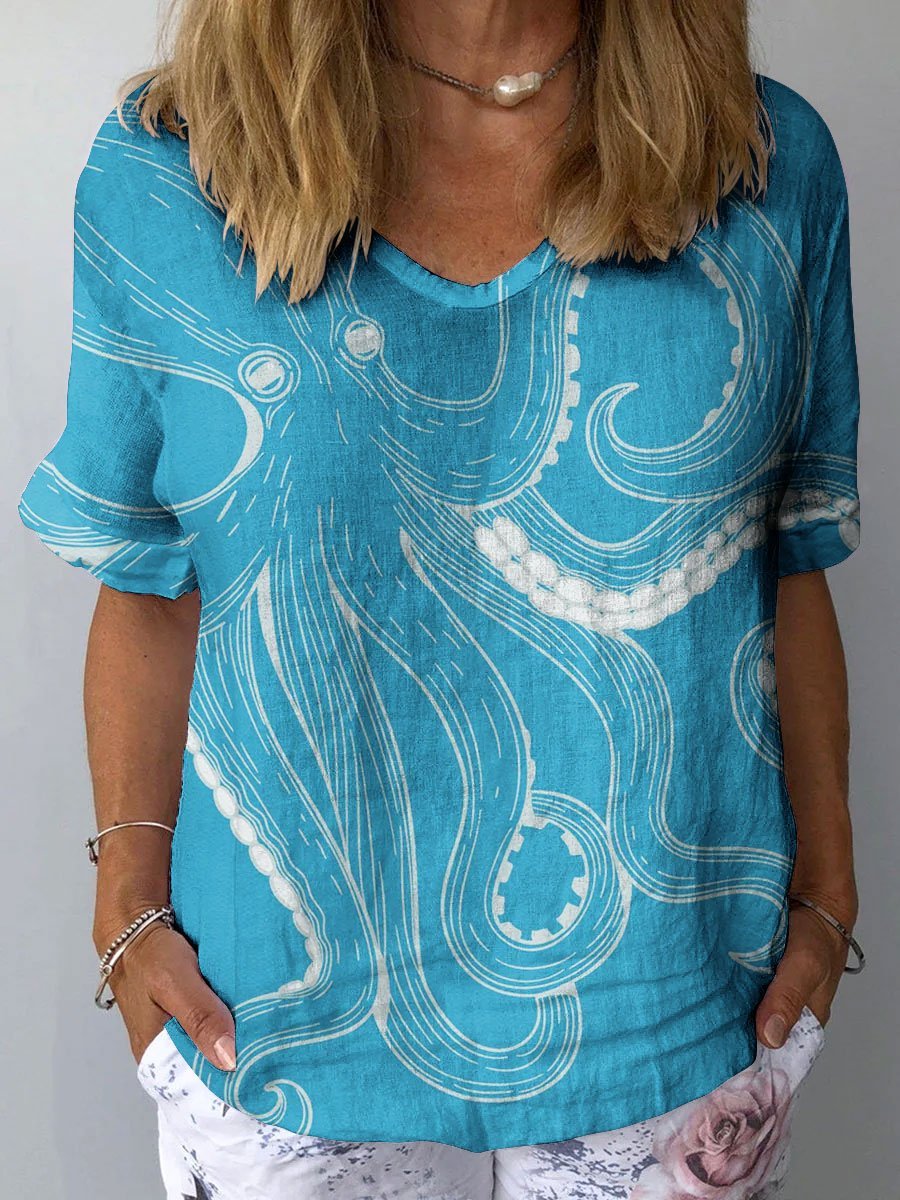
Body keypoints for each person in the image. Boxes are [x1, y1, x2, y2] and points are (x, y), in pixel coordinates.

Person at [17, 1, 865, 1196]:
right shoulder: (174, 169)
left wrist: (829, 896)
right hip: (272, 1026)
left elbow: (787, 554)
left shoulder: (759, 164)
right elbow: (151, 585)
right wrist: (126, 910)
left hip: (677, 1008)